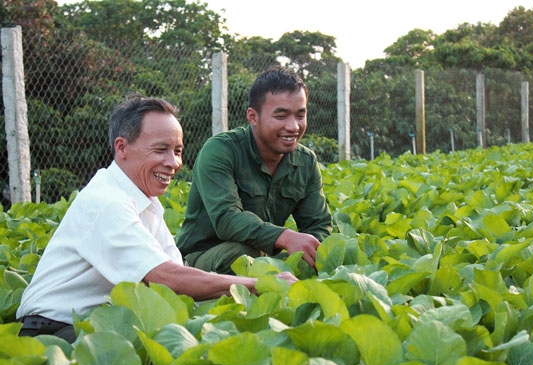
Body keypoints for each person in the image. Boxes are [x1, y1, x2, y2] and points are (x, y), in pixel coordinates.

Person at [16, 95, 297, 343]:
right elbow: (165, 279)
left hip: (98, 325)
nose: (174, 163)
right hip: (51, 333)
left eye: (177, 151)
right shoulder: (107, 201)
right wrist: (260, 285)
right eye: (160, 149)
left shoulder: (144, 201)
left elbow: (178, 279)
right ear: (122, 147)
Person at [176, 66, 332, 275]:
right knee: (244, 256)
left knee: (309, 256)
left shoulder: (305, 161)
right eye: (281, 116)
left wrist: (309, 250)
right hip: (202, 259)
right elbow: (226, 218)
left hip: (264, 256)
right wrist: (285, 237)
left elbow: (318, 225)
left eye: (300, 115)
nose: (293, 126)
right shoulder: (220, 150)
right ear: (252, 116)